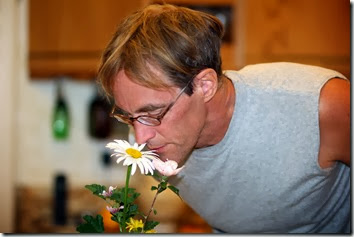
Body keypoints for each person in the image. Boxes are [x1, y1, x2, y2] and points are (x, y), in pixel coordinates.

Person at [97, 3, 350, 233]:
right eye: (128, 116)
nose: (140, 138)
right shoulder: (148, 143)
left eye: (154, 113)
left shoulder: (321, 105)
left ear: (205, 86)